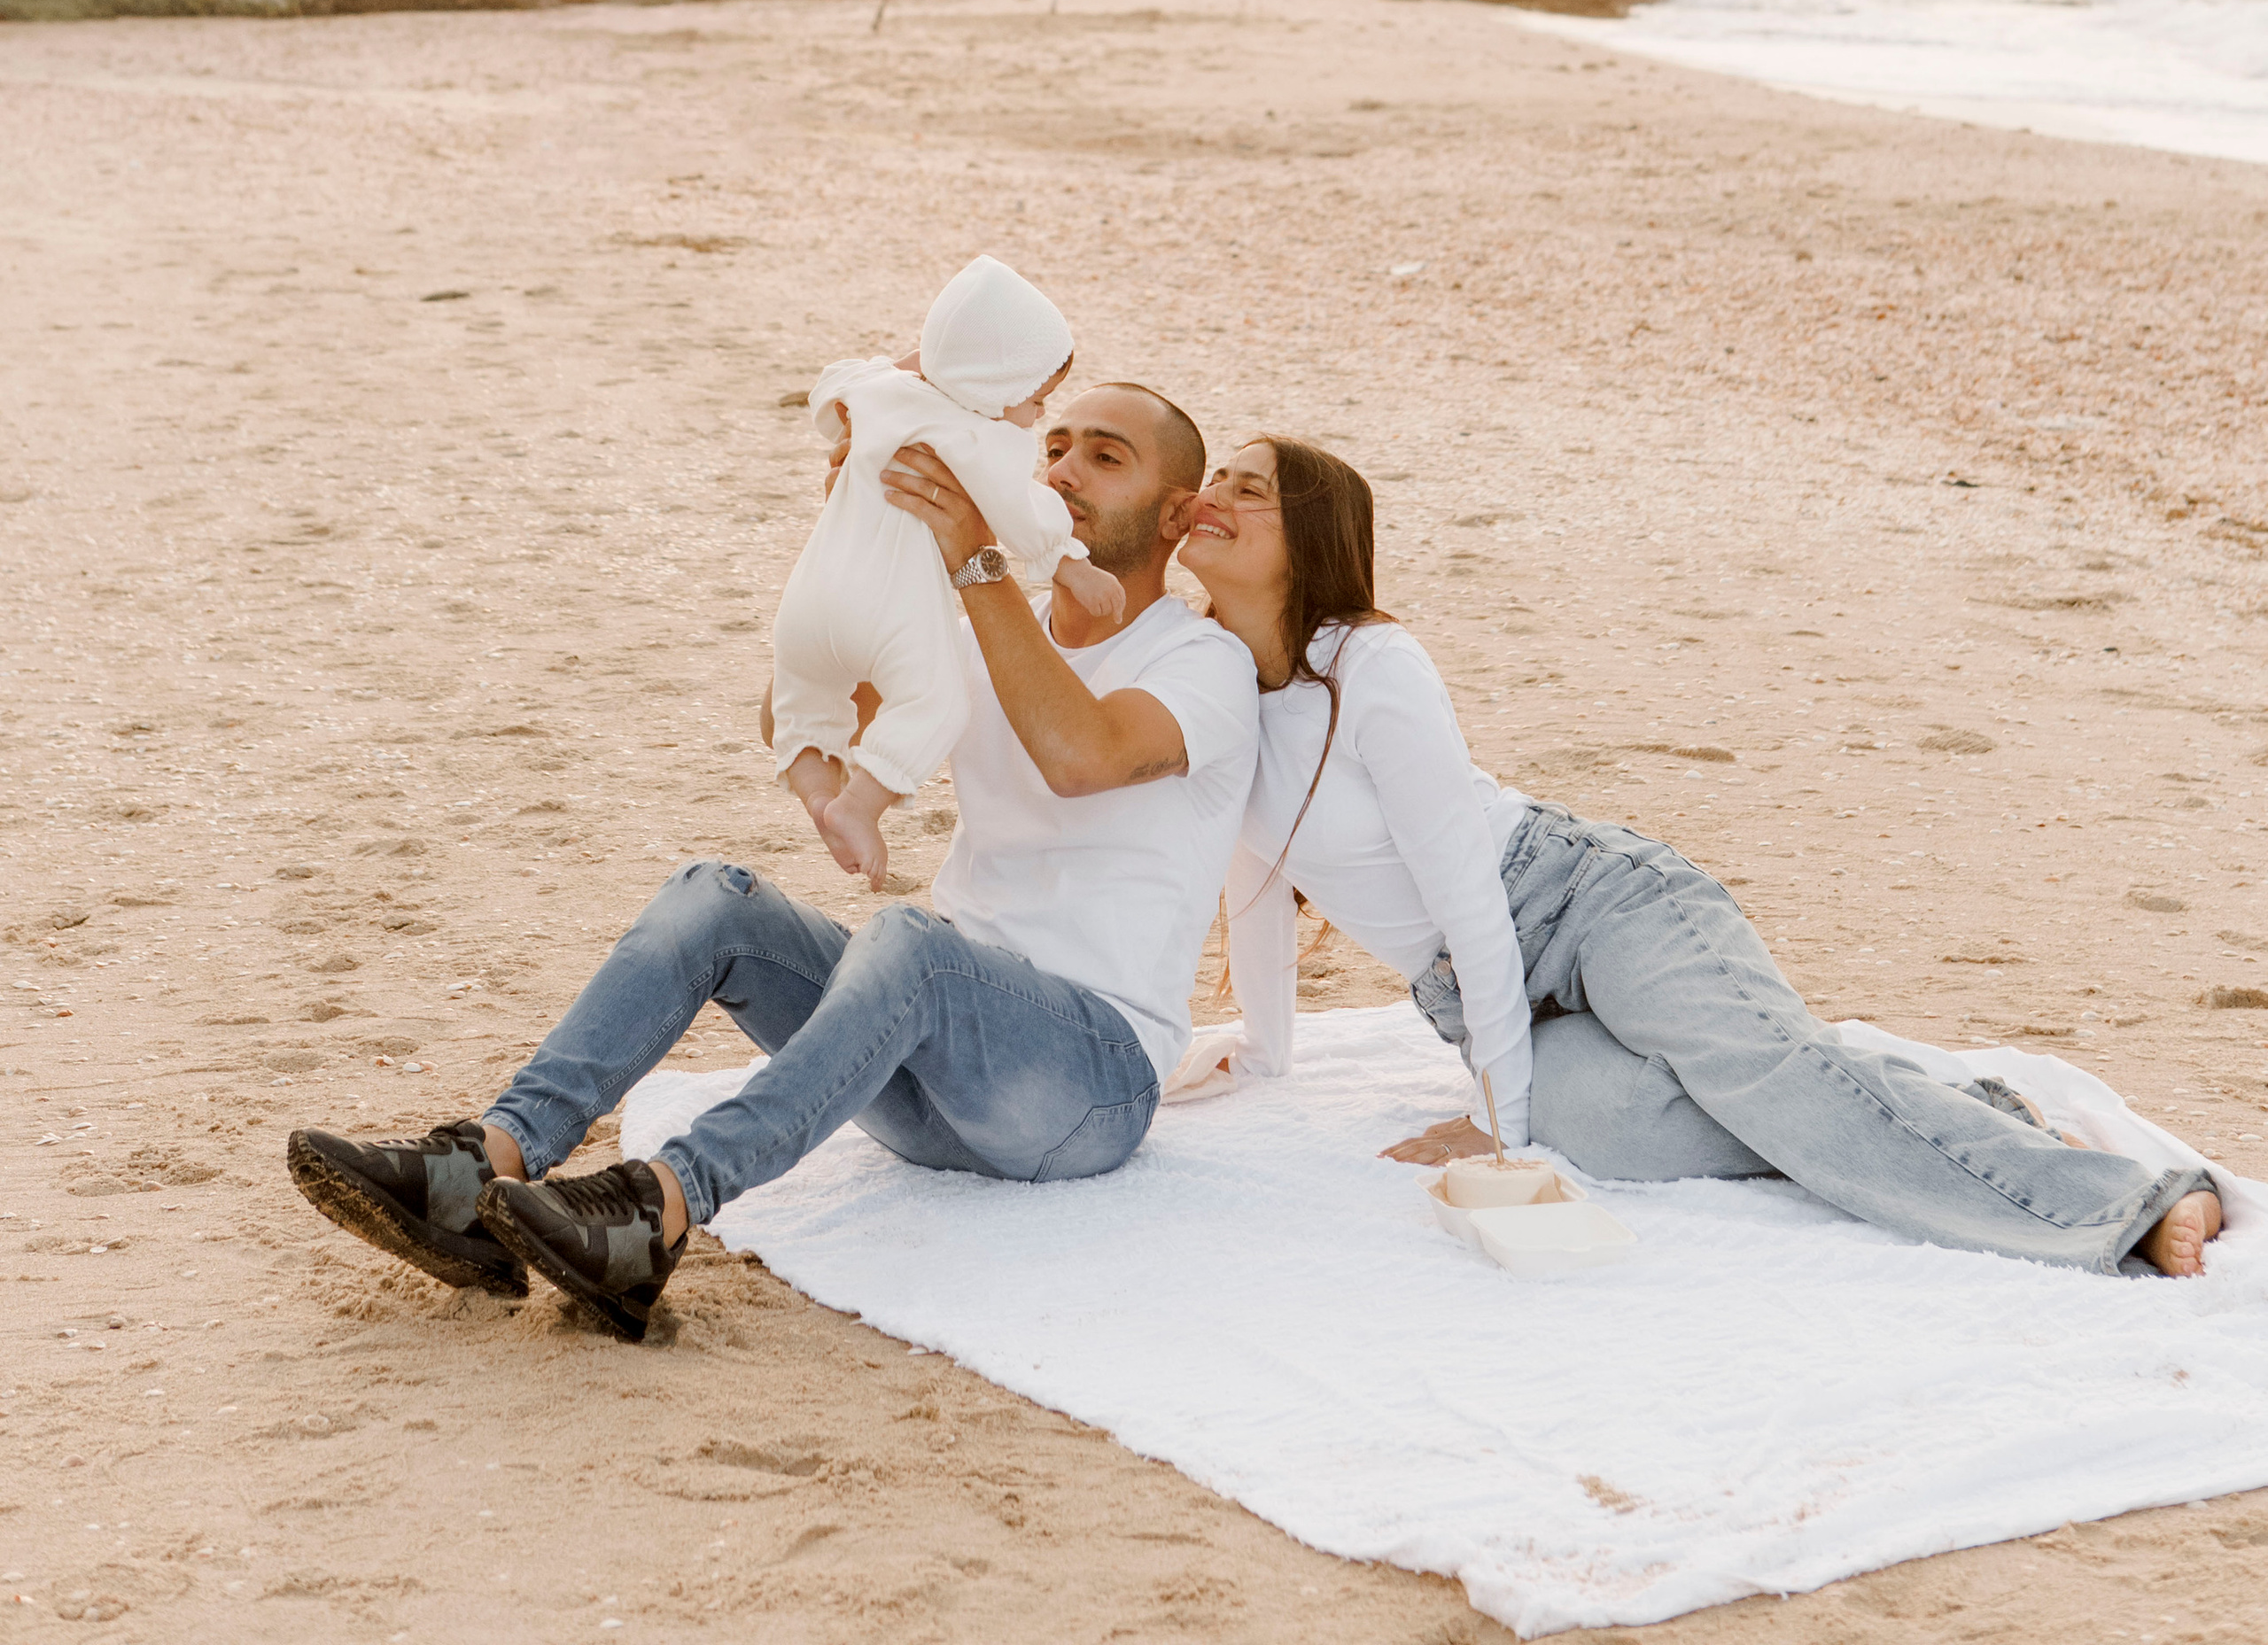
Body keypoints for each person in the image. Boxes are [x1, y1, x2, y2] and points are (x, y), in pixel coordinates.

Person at [287, 383, 1255, 1342]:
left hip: (1085, 1088)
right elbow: (797, 717)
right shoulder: (978, 628)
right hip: (923, 1076)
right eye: (1054, 447)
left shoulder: (1201, 664)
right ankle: (481, 1166)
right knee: (716, 896)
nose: (1061, 472)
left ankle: (658, 1209)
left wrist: (974, 556)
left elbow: (1078, 753)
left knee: (912, 940)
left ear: (1176, 514)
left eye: (1104, 457)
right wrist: (859, 540)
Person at [1173, 434, 2226, 1281]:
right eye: (1216, 476)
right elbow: (1255, 873)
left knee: (1753, 1074)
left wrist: (1493, 1120)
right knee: (1611, 1129)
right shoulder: (1217, 684)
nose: (1216, 490)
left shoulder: (1371, 664)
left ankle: (2124, 1199)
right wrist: (1264, 1052)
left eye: (1250, 487)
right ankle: (1953, 1105)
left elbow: (1464, 893)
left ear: (1308, 538)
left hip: (1586, 901)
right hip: (1484, 987)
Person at [777, 252, 1127, 884]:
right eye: (1037, 398)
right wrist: (1069, 565)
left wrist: (924, 362)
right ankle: (856, 804)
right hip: (885, 608)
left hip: (806, 600)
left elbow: (829, 387)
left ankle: (815, 791)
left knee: (802, 698)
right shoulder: (977, 435)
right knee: (937, 703)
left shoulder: (874, 393)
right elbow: (1024, 509)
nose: (1038, 415)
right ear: (992, 384)